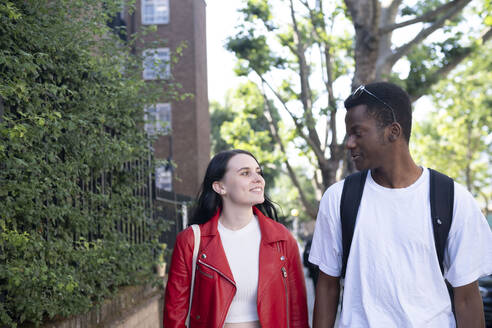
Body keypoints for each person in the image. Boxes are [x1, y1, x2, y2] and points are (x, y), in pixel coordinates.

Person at [309, 82, 492, 327]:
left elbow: (467, 298)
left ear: (393, 131)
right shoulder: (339, 198)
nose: (349, 143)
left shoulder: (452, 198)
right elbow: (327, 287)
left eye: (357, 132)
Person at [164, 149, 309, 328]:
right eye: (245, 173)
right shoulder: (191, 241)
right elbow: (174, 316)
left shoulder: (282, 239)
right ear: (220, 187)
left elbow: (297, 315)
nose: (258, 179)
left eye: (258, 172)